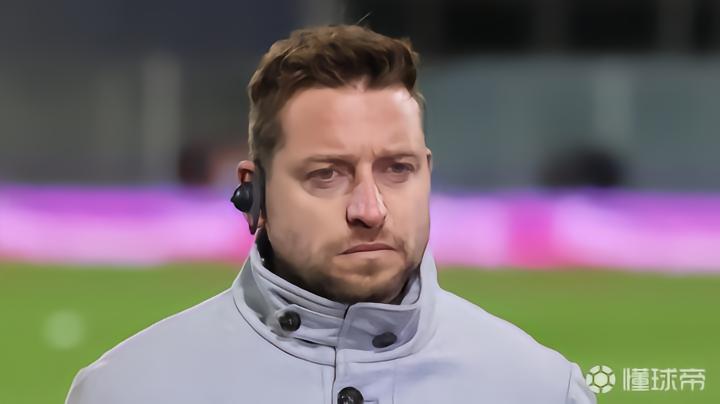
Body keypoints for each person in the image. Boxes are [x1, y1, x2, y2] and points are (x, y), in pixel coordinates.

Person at [66, 24, 596, 404]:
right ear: (255, 193)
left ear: (428, 173)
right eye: (327, 174)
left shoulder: (542, 388)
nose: (370, 209)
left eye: (398, 169)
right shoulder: (124, 390)